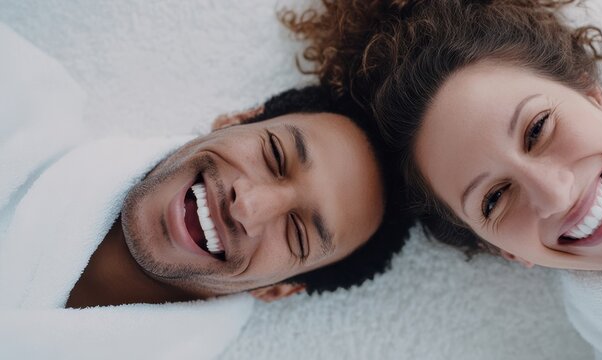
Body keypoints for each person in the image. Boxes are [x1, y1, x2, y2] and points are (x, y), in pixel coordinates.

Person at [279, 0, 602, 358]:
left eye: (538, 129)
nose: (553, 193)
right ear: (508, 252)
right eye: (496, 199)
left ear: (592, 95)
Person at [0, 24, 413, 309]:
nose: (248, 206)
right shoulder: (16, 94)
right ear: (235, 120)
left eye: (297, 233)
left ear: (278, 290)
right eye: (273, 156)